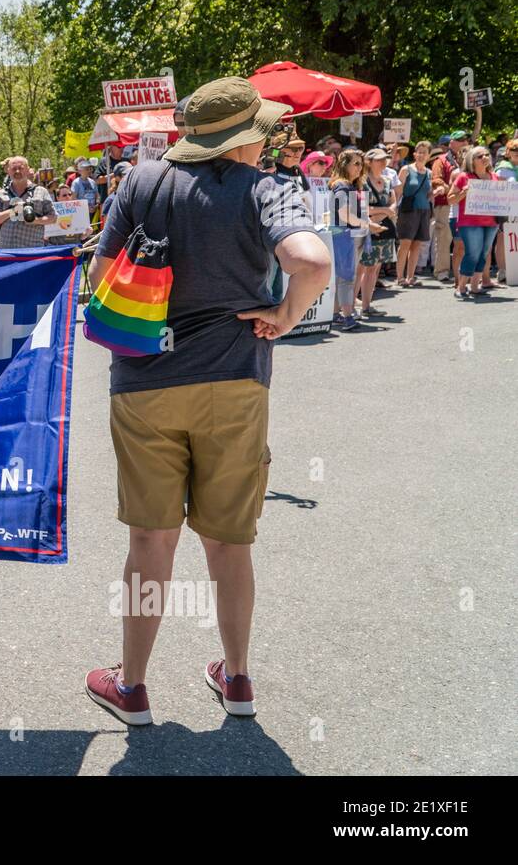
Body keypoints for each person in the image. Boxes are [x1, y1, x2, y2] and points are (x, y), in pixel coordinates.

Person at [83, 76, 331, 726]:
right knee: (229, 544)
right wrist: (282, 314)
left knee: (150, 542)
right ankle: (238, 679)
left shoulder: (142, 182)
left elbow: (98, 278)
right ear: (244, 139)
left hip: (144, 383)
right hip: (235, 381)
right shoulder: (267, 189)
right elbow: (313, 262)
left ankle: (131, 686)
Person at [449, 146, 502, 298]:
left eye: (486, 155)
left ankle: (475, 286)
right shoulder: (464, 177)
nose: (485, 157)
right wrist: (464, 192)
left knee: (484, 253)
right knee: (472, 253)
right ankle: (461, 287)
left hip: (491, 221)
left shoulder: (494, 177)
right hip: (470, 222)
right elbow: (450, 199)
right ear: (472, 160)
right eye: (480, 156)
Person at [329, 149, 369, 329]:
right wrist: (364, 224)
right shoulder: (343, 186)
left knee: (342, 277)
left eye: (361, 164)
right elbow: (343, 213)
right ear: (345, 165)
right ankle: (347, 317)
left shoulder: (347, 185)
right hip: (345, 235)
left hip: (347, 234)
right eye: (356, 163)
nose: (360, 168)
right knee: (346, 277)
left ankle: (337, 314)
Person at [359, 148, 398, 315]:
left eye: (385, 160)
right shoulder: (362, 182)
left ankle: (367, 305)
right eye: (379, 160)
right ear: (369, 162)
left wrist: (384, 212)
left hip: (385, 228)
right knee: (362, 268)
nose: (383, 163)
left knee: (375, 269)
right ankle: (355, 306)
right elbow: (364, 208)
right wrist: (385, 211)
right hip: (369, 229)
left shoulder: (388, 181)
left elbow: (394, 203)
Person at [0, 156, 58, 248]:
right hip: (7, 251)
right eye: (13, 168)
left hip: (33, 251)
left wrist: (35, 220)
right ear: (8, 171)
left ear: (28, 170)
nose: (17, 171)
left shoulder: (41, 191)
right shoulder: (0, 194)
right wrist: (12, 212)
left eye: (21, 168)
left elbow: (53, 217)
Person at [395, 141, 433, 286]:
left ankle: (411, 276)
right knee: (405, 243)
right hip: (408, 211)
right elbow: (398, 191)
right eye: (419, 152)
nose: (422, 155)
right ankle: (400, 277)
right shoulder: (406, 169)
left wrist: (434, 193)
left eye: (425, 152)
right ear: (415, 154)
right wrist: (395, 209)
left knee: (417, 244)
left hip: (424, 210)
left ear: (429, 155)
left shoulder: (429, 173)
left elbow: (428, 194)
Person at [431, 132, 465, 282]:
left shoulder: (467, 160)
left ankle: (463, 272)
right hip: (445, 205)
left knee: (462, 240)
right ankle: (442, 272)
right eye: (460, 140)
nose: (464, 143)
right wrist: (451, 189)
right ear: (451, 143)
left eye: (465, 140)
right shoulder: (441, 160)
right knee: (444, 238)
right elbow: (436, 180)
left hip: (464, 205)